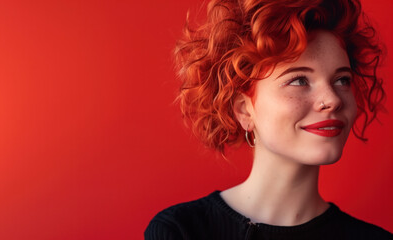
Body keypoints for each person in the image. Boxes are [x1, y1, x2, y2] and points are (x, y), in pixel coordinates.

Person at [145, 0, 392, 239]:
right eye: (299, 80)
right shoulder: (182, 230)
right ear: (243, 110)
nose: (333, 99)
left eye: (342, 80)